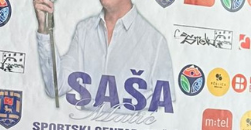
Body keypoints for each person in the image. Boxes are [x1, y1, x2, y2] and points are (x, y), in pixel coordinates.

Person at [33, 0, 173, 111]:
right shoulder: (84, 30)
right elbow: (56, 88)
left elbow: (165, 112)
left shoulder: (155, 41)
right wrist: (44, 29)